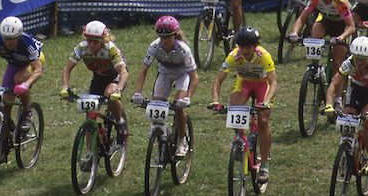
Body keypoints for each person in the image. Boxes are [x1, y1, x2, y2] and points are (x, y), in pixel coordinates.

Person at [210, 26, 277, 183]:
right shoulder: (234, 55)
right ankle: (240, 139)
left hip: (262, 85)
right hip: (245, 82)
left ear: (255, 46)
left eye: (248, 48)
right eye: (241, 47)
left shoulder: (263, 56)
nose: (244, 51)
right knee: (234, 110)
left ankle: (265, 164)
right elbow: (218, 80)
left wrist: (266, 102)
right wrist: (215, 100)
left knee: (263, 121)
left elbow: (273, 83)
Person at [132, 16, 199, 157]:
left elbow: (194, 77)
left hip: (182, 75)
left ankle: (181, 141)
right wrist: (138, 93)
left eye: (168, 37)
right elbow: (143, 71)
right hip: (165, 75)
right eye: (161, 37)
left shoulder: (184, 50)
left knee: (179, 107)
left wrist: (188, 97)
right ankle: (162, 136)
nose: (164, 40)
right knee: (156, 106)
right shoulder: (154, 47)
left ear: (175, 35)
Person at [322, 36, 368, 173]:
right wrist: (329, 105)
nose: (359, 62)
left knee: (367, 120)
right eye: (357, 58)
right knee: (346, 118)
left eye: (363, 59)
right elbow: (333, 85)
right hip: (356, 89)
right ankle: (348, 146)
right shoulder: (349, 63)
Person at [0, 16, 44, 138]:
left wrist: (26, 85)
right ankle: (5, 143)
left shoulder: (27, 43)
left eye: (13, 39)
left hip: (33, 63)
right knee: (6, 104)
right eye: (6, 39)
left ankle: (27, 114)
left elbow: (37, 70)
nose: (9, 42)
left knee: (19, 80)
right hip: (14, 64)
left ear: (19, 36)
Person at [61, 21, 129, 140]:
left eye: (96, 41)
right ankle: (90, 153)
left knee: (109, 94)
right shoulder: (82, 48)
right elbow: (67, 69)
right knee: (90, 117)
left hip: (115, 74)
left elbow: (123, 72)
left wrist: (118, 90)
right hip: (99, 76)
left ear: (103, 40)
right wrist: (65, 87)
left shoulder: (110, 49)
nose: (92, 44)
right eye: (89, 40)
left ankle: (119, 121)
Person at [289, 0, 356, 73]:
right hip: (326, 20)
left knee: (337, 63)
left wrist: (340, 38)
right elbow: (302, 18)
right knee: (315, 35)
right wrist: (294, 32)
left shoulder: (340, 2)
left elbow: (351, 27)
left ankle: (335, 86)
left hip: (342, 25)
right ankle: (315, 67)